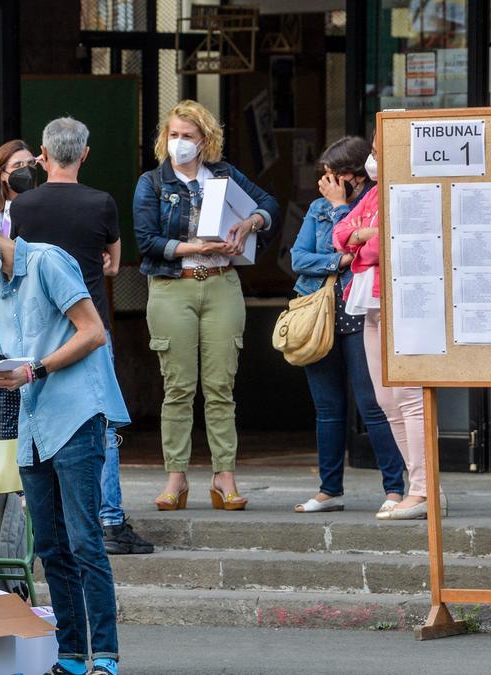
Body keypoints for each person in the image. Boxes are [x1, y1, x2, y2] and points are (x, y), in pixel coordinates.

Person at [0, 202, 130, 675]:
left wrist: (35, 368)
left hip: (76, 412)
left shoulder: (46, 261)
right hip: (34, 423)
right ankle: (70, 655)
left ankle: (104, 653)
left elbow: (94, 332)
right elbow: (18, 359)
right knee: (49, 544)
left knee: (85, 539)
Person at [11, 116, 153, 555]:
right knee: (101, 425)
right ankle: (108, 518)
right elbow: (112, 260)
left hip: (38, 332)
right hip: (90, 329)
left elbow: (14, 260)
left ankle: (47, 515)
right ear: (86, 154)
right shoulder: (101, 203)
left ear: (44, 153)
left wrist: (30, 173)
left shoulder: (23, 206)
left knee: (36, 419)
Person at [132, 99, 279, 512]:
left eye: (188, 136)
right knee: (178, 386)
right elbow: (146, 240)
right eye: (174, 135)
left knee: (221, 386)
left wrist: (250, 223)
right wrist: (196, 246)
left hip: (221, 284)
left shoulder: (224, 175)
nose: (179, 143)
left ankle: (224, 475)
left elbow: (270, 205)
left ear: (205, 140)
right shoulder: (153, 183)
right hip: (172, 286)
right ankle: (175, 477)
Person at [291, 136, 407, 515]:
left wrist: (342, 213)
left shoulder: (372, 205)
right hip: (320, 312)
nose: (326, 183)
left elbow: (359, 246)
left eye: (333, 175)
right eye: (323, 175)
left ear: (354, 176)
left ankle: (395, 488)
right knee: (327, 408)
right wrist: (339, 261)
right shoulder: (316, 209)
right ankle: (329, 489)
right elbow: (299, 257)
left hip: (362, 310)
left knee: (372, 404)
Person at [332, 136, 441, 521]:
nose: (373, 159)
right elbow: (340, 232)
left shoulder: (413, 189)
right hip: (370, 302)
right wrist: (363, 233)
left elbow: (385, 244)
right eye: (375, 150)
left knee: (409, 397)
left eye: (379, 151)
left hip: (401, 297)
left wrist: (362, 237)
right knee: (387, 400)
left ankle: (424, 491)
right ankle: (421, 488)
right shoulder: (374, 194)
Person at [0, 140, 34, 440]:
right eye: (17, 167)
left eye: (31, 165)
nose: (25, 173)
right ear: (1, 174)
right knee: (9, 391)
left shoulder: (42, 205)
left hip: (34, 309)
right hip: (0, 308)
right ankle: (13, 476)